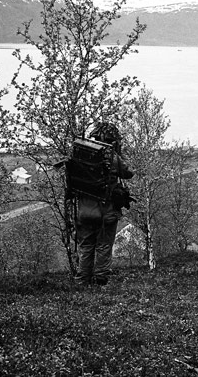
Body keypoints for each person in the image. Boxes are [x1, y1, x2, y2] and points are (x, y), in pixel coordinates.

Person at [74, 122, 134, 286]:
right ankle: (100, 280)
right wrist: (119, 153)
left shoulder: (80, 154)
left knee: (86, 246)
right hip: (105, 212)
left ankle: (81, 281)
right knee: (103, 246)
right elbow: (129, 173)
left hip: (84, 212)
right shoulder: (112, 157)